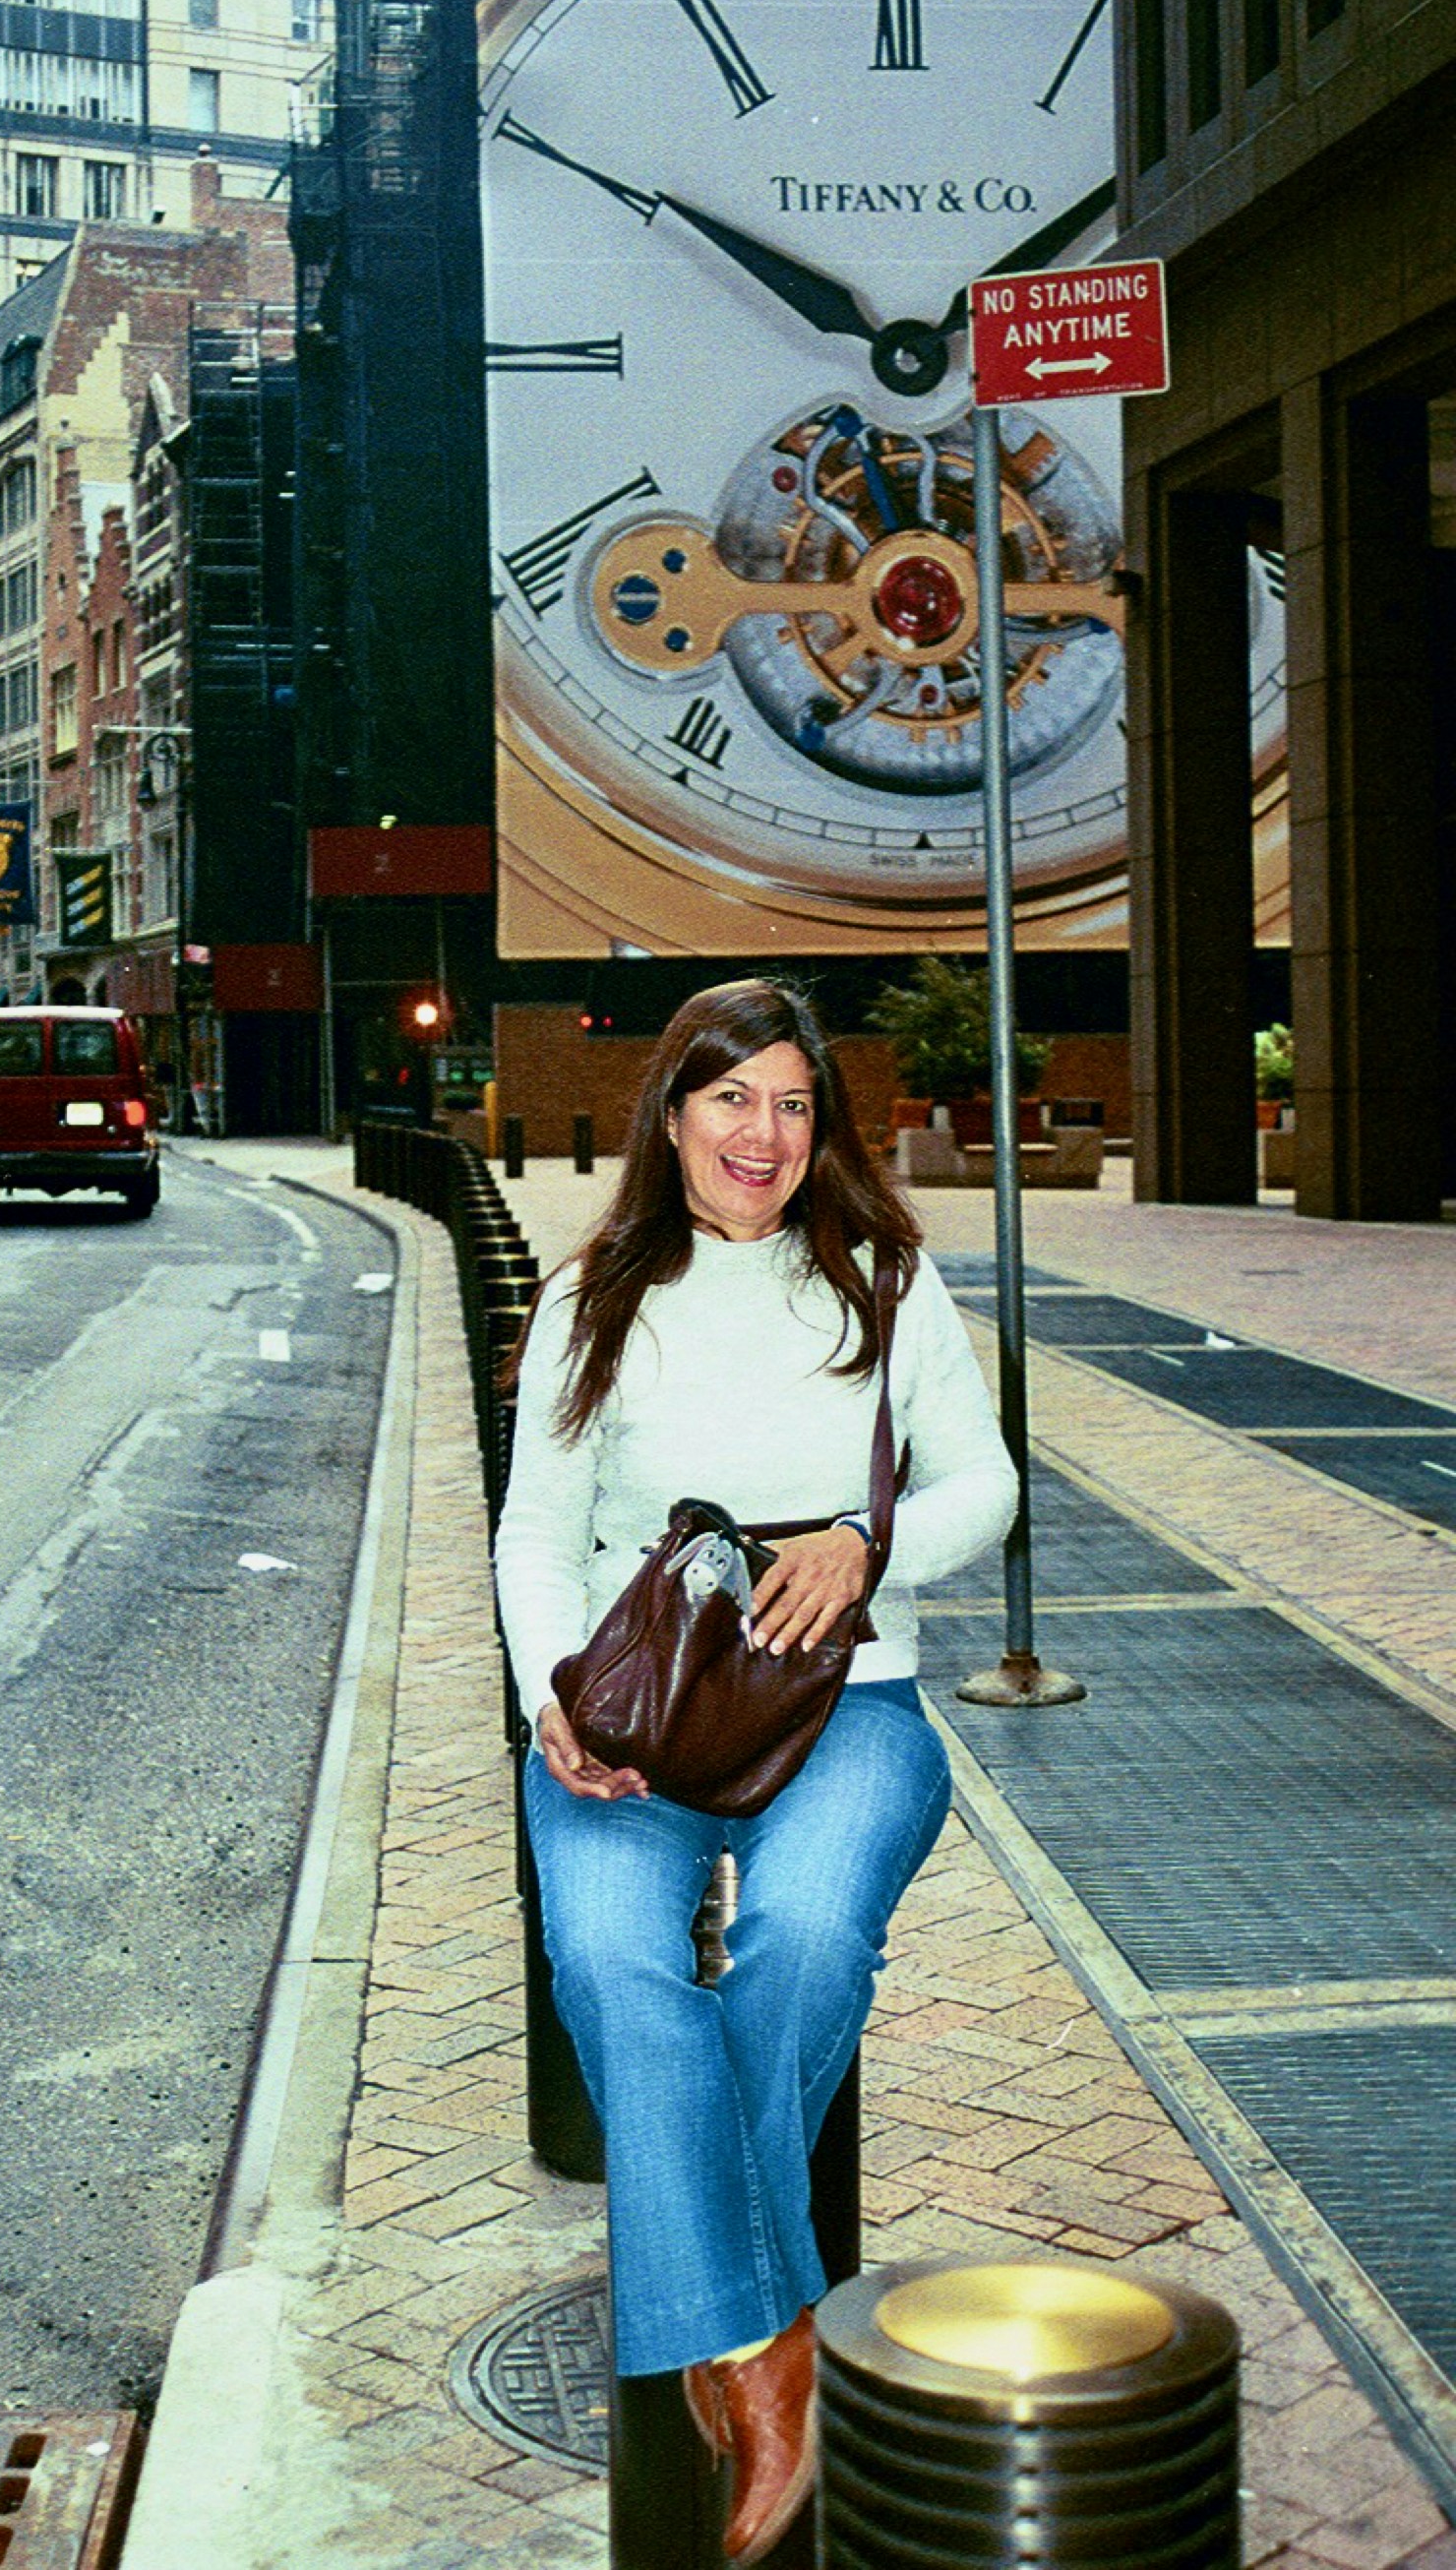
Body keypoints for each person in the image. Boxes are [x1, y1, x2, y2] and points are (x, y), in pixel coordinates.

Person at [494, 977, 1017, 2565]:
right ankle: (772, 2339)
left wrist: (871, 1546)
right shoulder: (597, 1292)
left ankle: (728, 2324)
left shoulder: (884, 1278)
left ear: (821, 1125)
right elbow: (533, 1530)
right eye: (733, 1099)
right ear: (671, 1112)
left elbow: (986, 1482)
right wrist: (546, 1698)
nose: (764, 1134)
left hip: (852, 1703)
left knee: (801, 1943)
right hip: (635, 1714)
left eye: (794, 1103)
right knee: (614, 1966)